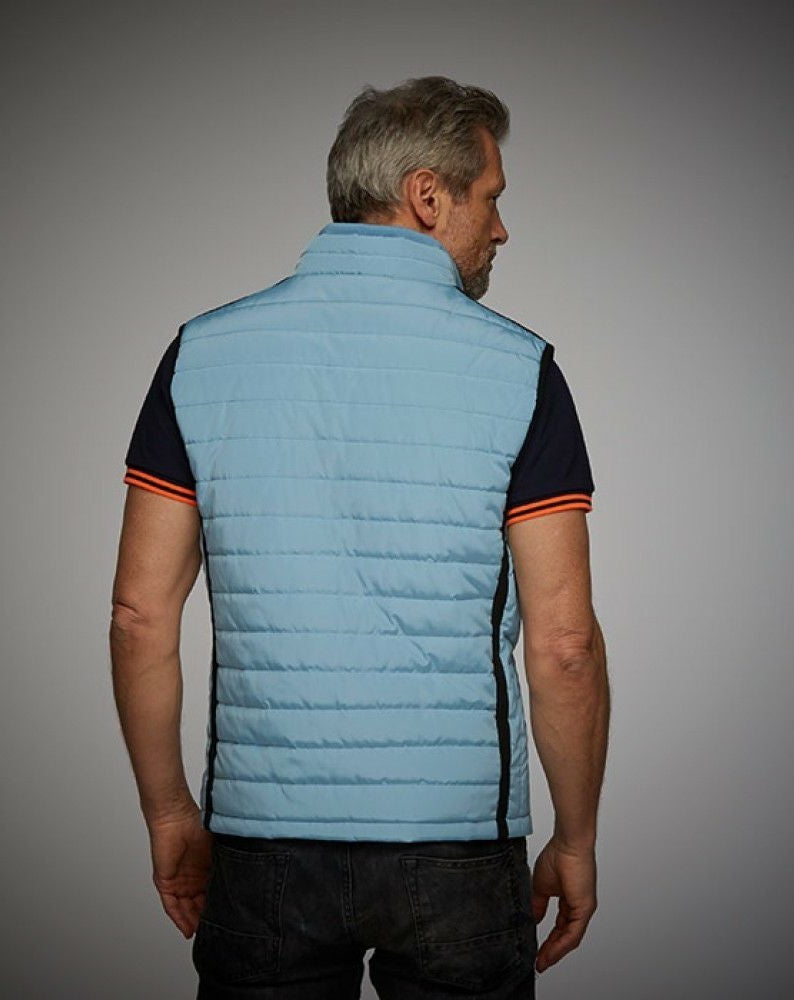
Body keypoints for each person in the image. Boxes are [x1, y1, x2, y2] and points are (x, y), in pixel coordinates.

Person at [110, 75, 610, 999]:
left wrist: (169, 810)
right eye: (490, 198)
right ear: (428, 196)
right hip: (458, 844)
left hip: (262, 844)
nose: (501, 229)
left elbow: (139, 617)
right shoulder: (522, 371)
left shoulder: (200, 355)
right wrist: (575, 840)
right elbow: (566, 646)